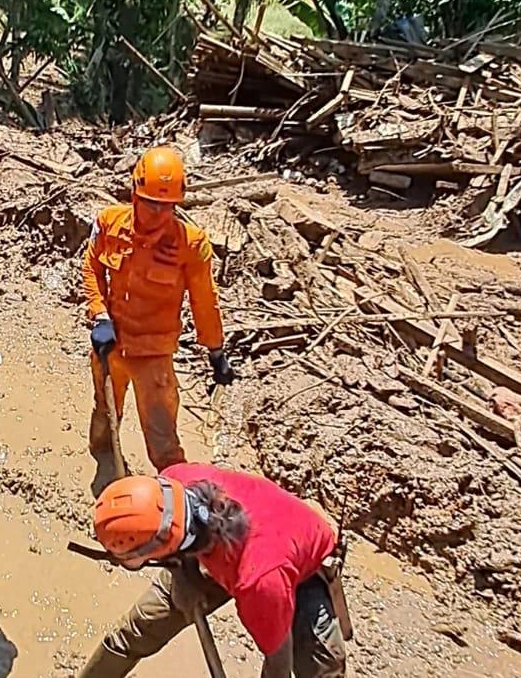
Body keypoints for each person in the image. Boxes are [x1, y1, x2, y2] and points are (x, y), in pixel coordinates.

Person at [79, 465, 349, 677]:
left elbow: (279, 660)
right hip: (218, 550)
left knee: (321, 667)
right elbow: (185, 537)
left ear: (160, 546)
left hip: (301, 568)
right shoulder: (175, 482)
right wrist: (184, 576)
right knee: (140, 629)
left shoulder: (258, 580)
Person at [81, 146, 232, 470]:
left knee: (164, 443)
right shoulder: (109, 223)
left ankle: (180, 501)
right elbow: (91, 265)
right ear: (134, 193)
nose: (159, 214)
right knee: (105, 416)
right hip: (110, 344)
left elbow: (204, 301)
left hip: (154, 355)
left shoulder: (191, 245)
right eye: (151, 204)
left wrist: (215, 351)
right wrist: (100, 314)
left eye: (167, 206)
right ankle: (105, 471)